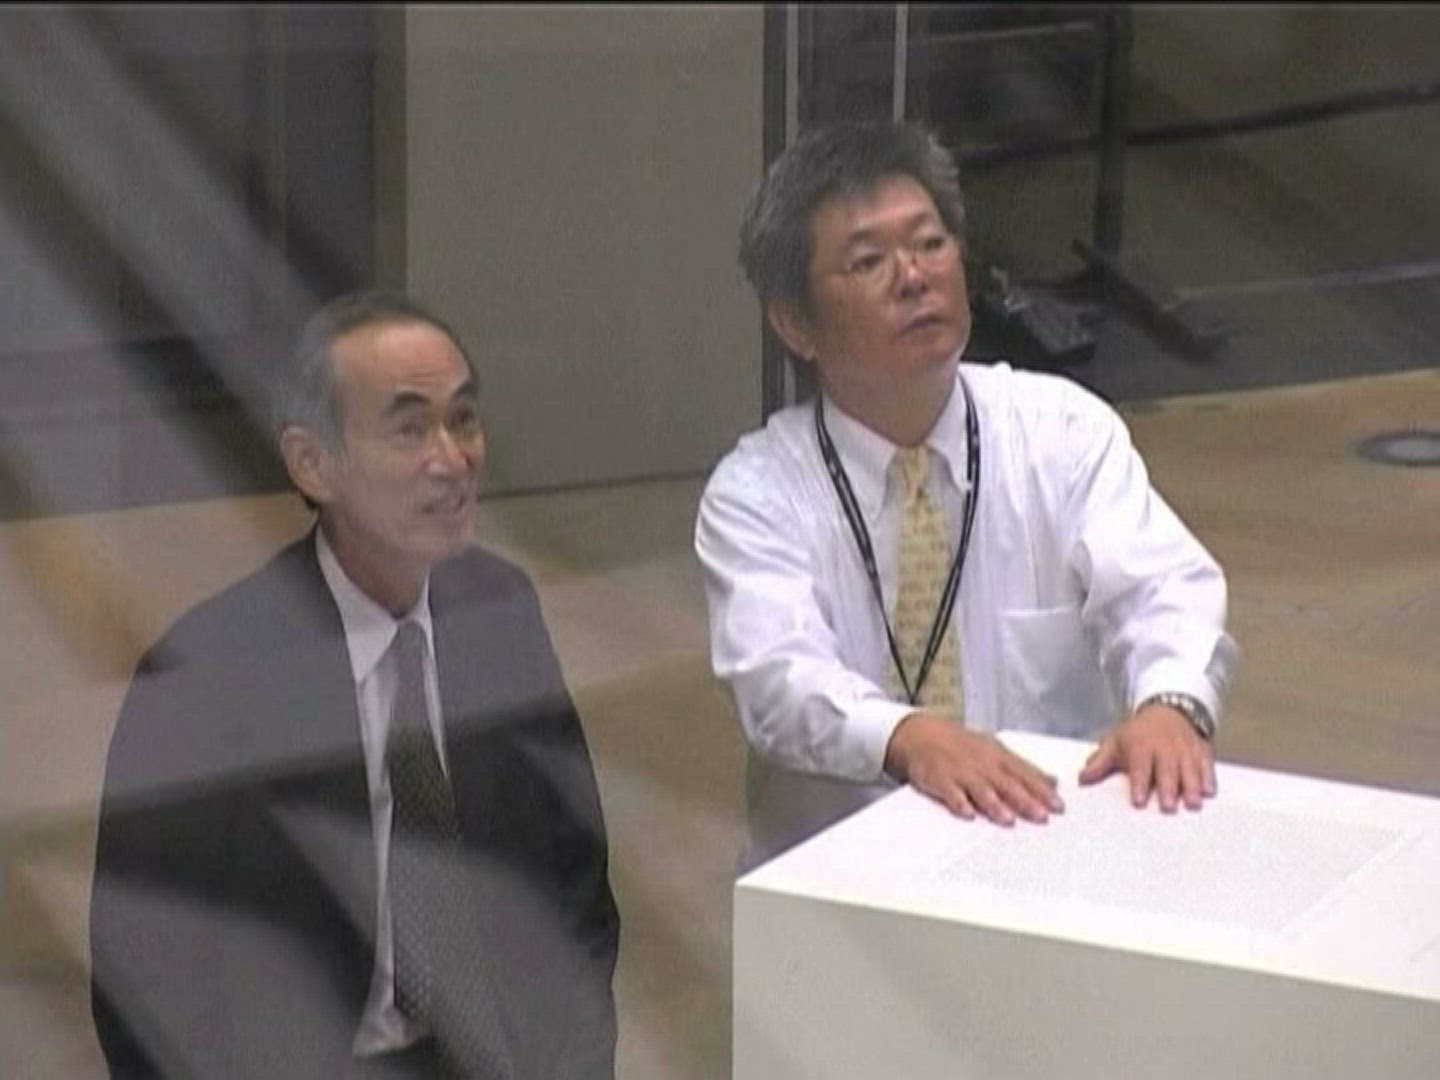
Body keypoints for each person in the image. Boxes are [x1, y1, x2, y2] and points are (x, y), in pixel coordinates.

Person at [90, 291, 620, 1078]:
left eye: (463, 419)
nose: (453, 458)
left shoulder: (498, 611)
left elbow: (575, 888)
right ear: (313, 462)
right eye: (410, 429)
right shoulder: (207, 673)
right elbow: (146, 975)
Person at [696, 121, 1237, 867]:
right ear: (794, 323)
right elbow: (776, 678)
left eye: (930, 243)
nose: (913, 276)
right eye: (868, 260)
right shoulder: (755, 494)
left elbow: (1162, 588)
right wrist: (910, 737)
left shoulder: (1061, 430)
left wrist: (1170, 704)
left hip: (1046, 853)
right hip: (841, 878)